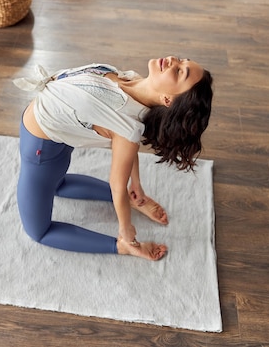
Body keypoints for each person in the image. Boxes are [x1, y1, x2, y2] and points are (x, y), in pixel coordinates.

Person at [13, 56, 213, 261]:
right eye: (182, 60)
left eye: (180, 71)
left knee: (39, 232)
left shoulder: (128, 126)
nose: (173, 60)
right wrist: (136, 185)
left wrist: (126, 231)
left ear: (168, 100)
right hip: (60, 134)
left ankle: (121, 246)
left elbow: (117, 182)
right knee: (57, 184)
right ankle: (134, 201)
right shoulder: (131, 80)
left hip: (41, 150)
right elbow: (129, 142)